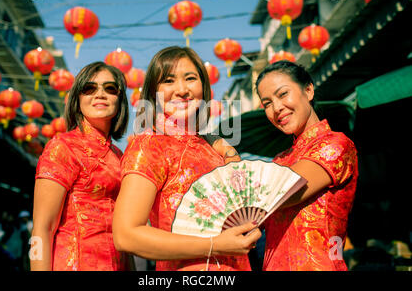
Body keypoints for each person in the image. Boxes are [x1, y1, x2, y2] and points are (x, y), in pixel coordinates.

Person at [113, 46, 261, 271]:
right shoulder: (150, 145)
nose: (181, 90)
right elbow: (126, 235)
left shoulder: (213, 147)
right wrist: (214, 245)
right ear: (154, 93)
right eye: (169, 81)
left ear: (204, 87)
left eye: (190, 78)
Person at [255, 60, 358, 271]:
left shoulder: (336, 144)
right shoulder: (279, 160)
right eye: (267, 103)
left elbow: (284, 190)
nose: (277, 108)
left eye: (283, 94)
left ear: (308, 90)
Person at [31, 61, 132, 271]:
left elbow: (124, 230)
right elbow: (42, 228)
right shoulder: (63, 148)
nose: (100, 94)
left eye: (110, 88)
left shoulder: (121, 157)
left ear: (120, 100)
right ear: (77, 100)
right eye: (89, 88)